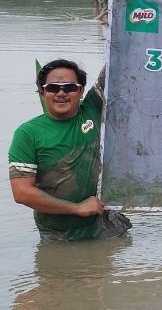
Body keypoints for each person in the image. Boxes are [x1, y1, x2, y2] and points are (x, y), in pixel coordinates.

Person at [8, 59, 130, 241]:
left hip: (107, 228)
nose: (61, 93)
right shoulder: (28, 134)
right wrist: (77, 208)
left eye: (70, 87)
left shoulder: (92, 109)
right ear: (42, 92)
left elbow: (118, 62)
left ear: (80, 91)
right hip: (59, 238)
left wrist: (125, 30)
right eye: (53, 88)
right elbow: (22, 193)